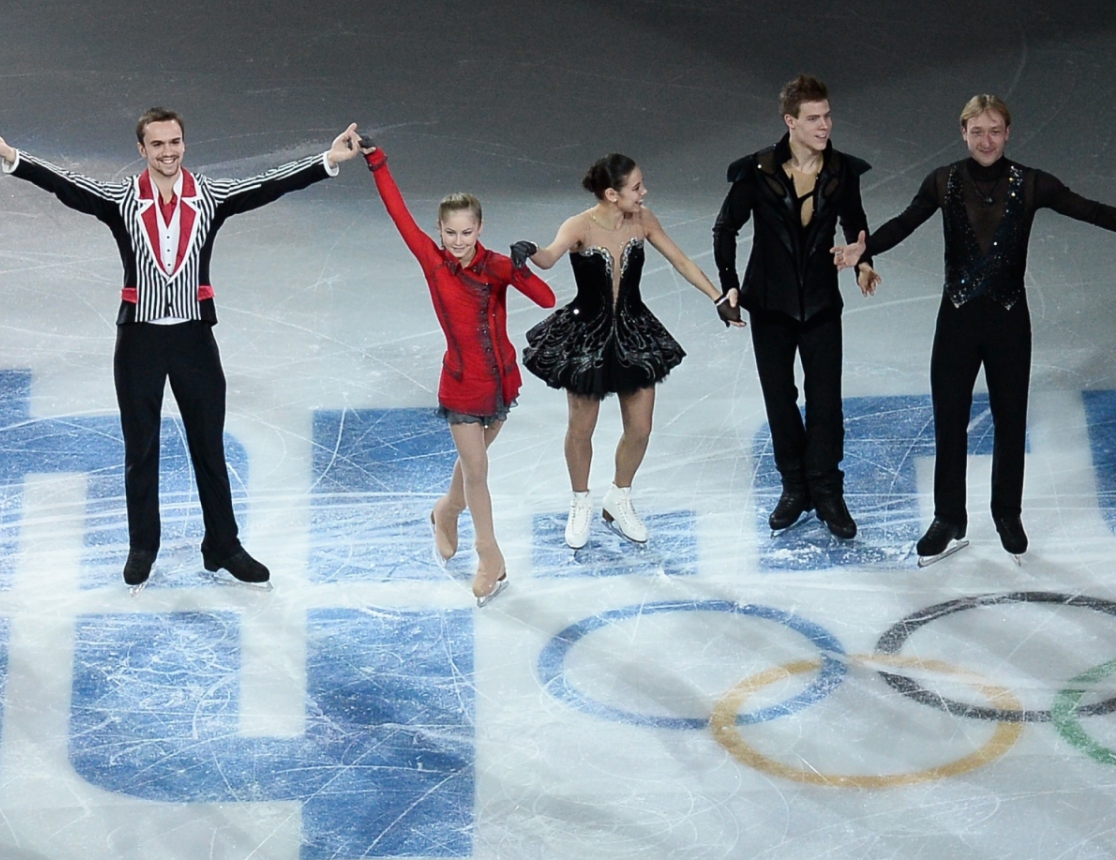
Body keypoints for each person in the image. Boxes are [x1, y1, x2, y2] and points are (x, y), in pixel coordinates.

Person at [0, 109, 364, 585]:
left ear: (184, 143)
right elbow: (66, 184)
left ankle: (222, 544)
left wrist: (327, 159)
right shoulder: (122, 200)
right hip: (139, 339)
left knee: (209, 446)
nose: (168, 151)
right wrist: (9, 154)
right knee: (141, 448)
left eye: (175, 141)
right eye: (157, 144)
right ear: (141, 150)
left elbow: (267, 184)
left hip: (194, 338)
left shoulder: (209, 196)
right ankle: (143, 546)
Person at [853, 94, 1116, 560]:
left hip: (1009, 322)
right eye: (978, 131)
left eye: (995, 131)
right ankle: (948, 516)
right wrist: (865, 254)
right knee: (950, 420)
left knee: (1011, 421)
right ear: (963, 133)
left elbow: (1093, 211)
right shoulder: (943, 181)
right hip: (956, 320)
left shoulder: (1032, 184)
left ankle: (1007, 513)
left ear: (1007, 133)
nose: (986, 140)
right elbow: (904, 223)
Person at [362, 140, 554, 601]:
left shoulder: (497, 266)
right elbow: (398, 213)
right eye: (451, 233)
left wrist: (522, 267)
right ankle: (490, 556)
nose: (459, 241)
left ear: (479, 228)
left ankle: (446, 511)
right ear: (441, 231)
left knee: (473, 466)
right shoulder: (434, 264)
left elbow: (547, 299)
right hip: (463, 385)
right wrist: (377, 161)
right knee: (478, 470)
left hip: (503, 382)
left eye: (467, 232)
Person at [522, 152, 738, 548]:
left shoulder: (643, 220)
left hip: (635, 333)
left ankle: (619, 495)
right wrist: (531, 250)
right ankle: (580, 501)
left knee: (640, 428)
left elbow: (680, 259)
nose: (644, 192)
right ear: (611, 193)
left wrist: (716, 297)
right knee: (580, 429)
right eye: (636, 187)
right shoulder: (579, 226)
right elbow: (550, 257)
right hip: (586, 337)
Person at [712, 75, 879, 539]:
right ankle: (794, 486)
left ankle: (826, 488)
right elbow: (725, 229)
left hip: (823, 302)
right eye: (813, 118)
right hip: (769, 303)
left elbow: (857, 227)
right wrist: (729, 286)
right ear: (790, 121)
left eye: (827, 116)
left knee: (825, 400)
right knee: (780, 398)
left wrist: (864, 264)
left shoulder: (843, 171)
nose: (824, 125)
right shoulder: (757, 171)